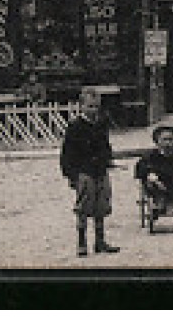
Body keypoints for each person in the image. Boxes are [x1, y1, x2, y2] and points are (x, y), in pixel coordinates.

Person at [60, 88, 119, 256]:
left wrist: (108, 159)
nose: (94, 110)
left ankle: (100, 241)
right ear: (81, 107)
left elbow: (105, 145)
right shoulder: (75, 127)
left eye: (96, 106)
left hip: (100, 170)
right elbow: (67, 153)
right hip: (83, 171)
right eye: (90, 106)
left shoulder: (101, 124)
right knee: (83, 207)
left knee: (101, 205)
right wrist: (71, 175)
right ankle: (82, 243)